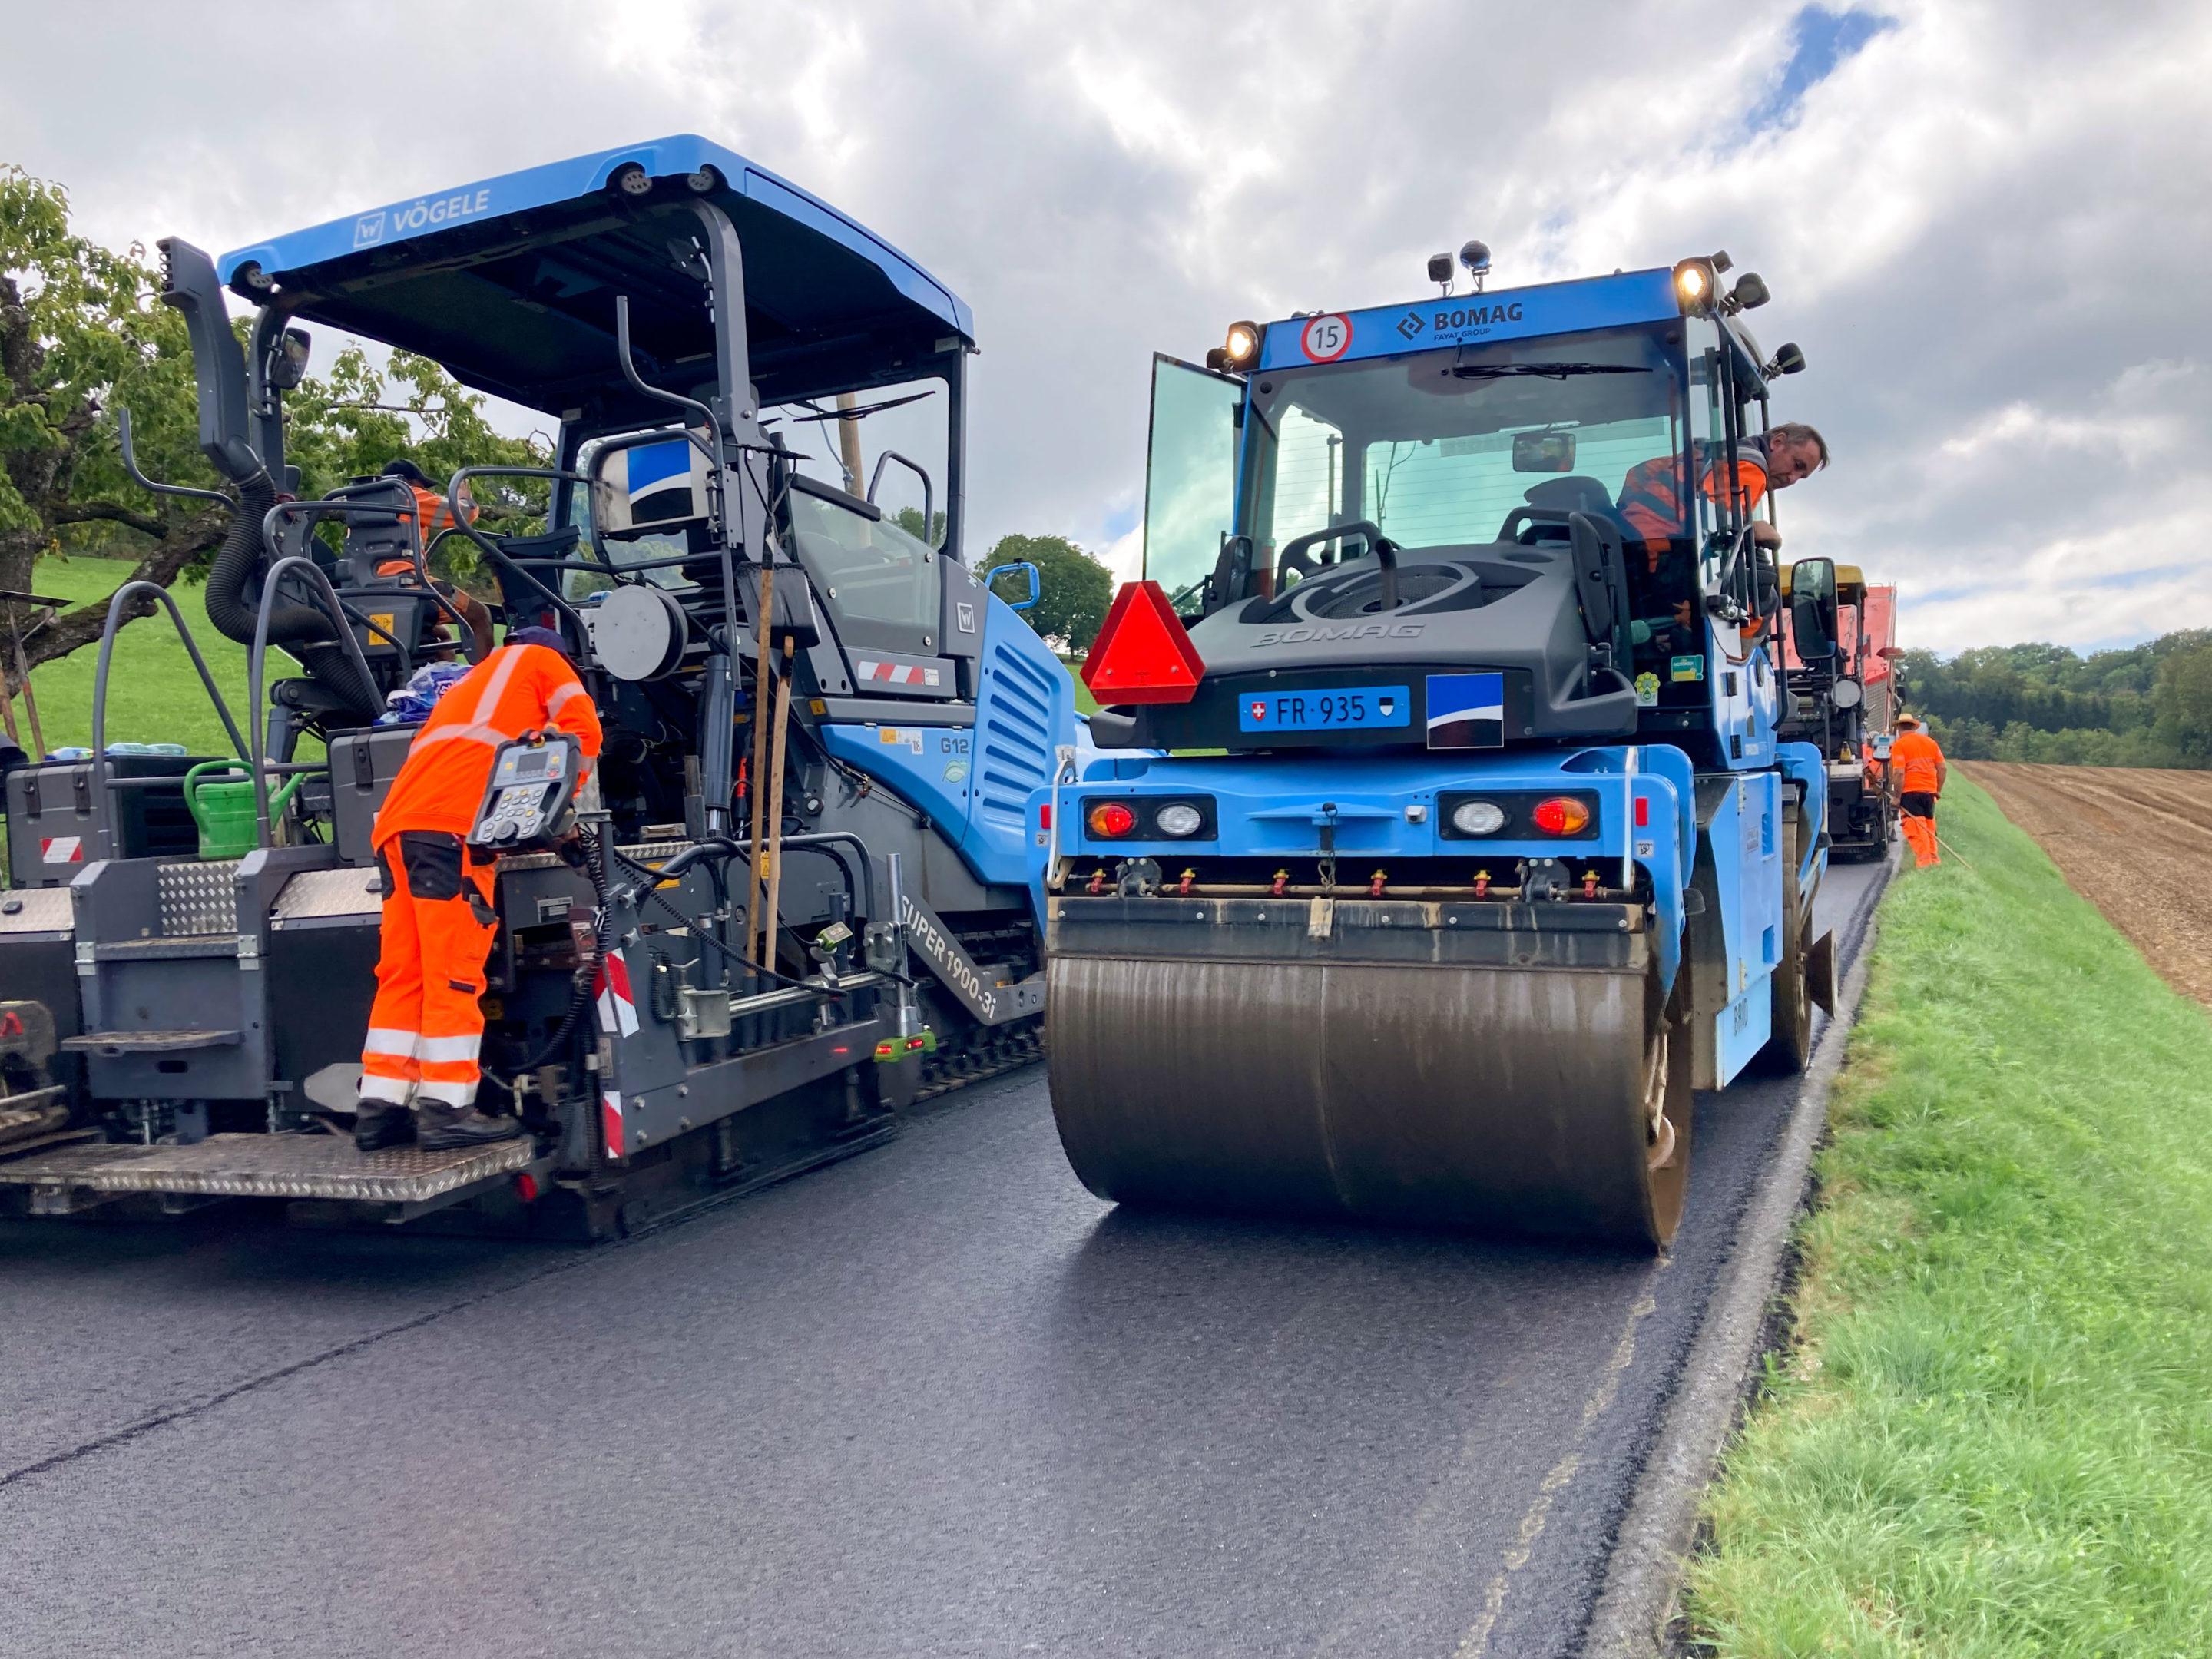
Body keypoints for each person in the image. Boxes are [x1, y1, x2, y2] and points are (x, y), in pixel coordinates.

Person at [353, 627, 603, 1153]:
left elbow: (483, 773)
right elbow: (582, 734)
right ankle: (446, 1112)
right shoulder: (544, 662)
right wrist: (566, 818)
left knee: (405, 971)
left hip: (398, 828)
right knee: (453, 974)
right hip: (448, 835)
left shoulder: (469, 688)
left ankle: (380, 1111)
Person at [1618, 423, 1831, 657]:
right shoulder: (1751, 465)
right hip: (1656, 562)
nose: (1793, 478)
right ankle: (1737, 657)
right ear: (1777, 442)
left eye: (1802, 476)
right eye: (1797, 465)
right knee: (1763, 594)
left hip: (1632, 554)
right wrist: (1756, 529)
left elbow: (1636, 475)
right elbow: (1719, 517)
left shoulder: (1704, 455)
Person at [1889, 713, 1948, 868]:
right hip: (1929, 793)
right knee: (1929, 827)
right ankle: (1934, 861)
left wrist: (1896, 797)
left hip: (1910, 793)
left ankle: (1924, 863)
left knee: (1916, 828)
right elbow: (1942, 768)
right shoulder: (1931, 743)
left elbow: (1899, 772)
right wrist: (1938, 790)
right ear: (1915, 727)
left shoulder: (1899, 746)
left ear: (1898, 728)